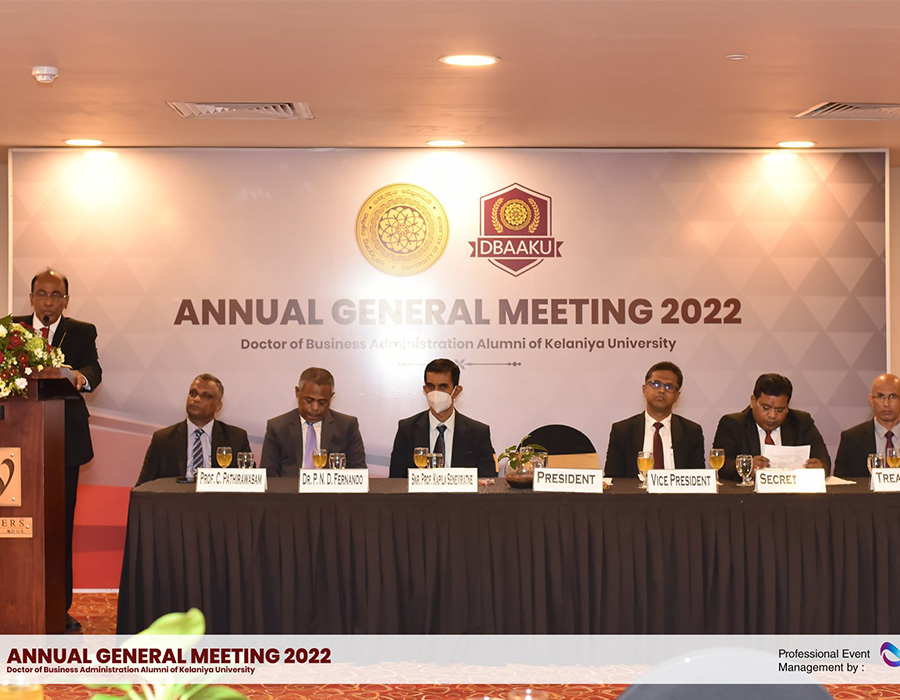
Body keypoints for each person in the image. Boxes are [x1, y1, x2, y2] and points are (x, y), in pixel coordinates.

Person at [14, 269, 102, 633]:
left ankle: (57, 606)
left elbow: (93, 370)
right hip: (16, 443)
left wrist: (80, 376)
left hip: (63, 442)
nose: (48, 301)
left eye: (56, 295)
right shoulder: (10, 330)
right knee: (15, 527)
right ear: (31, 297)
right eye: (42, 294)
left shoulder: (81, 331)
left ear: (66, 300)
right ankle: (13, 599)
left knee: (58, 527)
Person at [135, 374, 251, 486]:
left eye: (206, 396)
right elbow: (142, 488)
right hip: (176, 498)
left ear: (218, 406)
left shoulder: (236, 438)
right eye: (193, 393)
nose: (196, 399)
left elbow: (251, 484)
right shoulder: (162, 440)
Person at [713, 373, 831, 481]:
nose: (772, 415)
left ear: (787, 407)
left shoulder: (801, 422)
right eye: (766, 408)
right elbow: (723, 467)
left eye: (780, 410)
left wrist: (820, 467)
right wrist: (745, 467)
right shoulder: (733, 424)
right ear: (753, 401)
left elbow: (823, 459)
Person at [389, 358, 495, 477]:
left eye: (443, 387)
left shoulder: (478, 433)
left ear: (456, 391)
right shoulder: (407, 429)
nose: (436, 393)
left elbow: (488, 480)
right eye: (431, 386)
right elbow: (395, 481)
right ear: (425, 390)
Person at [603, 361, 705, 478]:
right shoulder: (622, 431)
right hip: (634, 490)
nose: (662, 390)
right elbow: (613, 479)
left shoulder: (691, 432)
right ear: (644, 390)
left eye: (669, 387)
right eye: (656, 384)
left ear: (677, 396)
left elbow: (699, 479)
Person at [260, 367, 366, 476]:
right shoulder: (278, 427)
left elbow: (359, 474)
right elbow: (268, 476)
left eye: (322, 402)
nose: (315, 407)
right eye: (309, 401)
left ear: (331, 397)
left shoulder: (346, 426)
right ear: (297, 393)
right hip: (291, 486)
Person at [833, 373, 900, 478]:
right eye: (880, 396)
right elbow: (842, 483)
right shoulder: (851, 439)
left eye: (892, 396)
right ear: (871, 400)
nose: (886, 403)